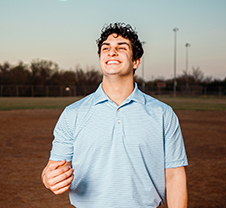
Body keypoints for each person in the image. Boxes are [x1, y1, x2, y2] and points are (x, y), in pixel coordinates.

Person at [42, 22, 188, 208]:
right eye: (106, 48)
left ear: (136, 61)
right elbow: (54, 167)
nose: (112, 52)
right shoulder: (73, 113)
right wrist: (48, 178)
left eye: (122, 48)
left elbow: (174, 175)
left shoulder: (163, 114)